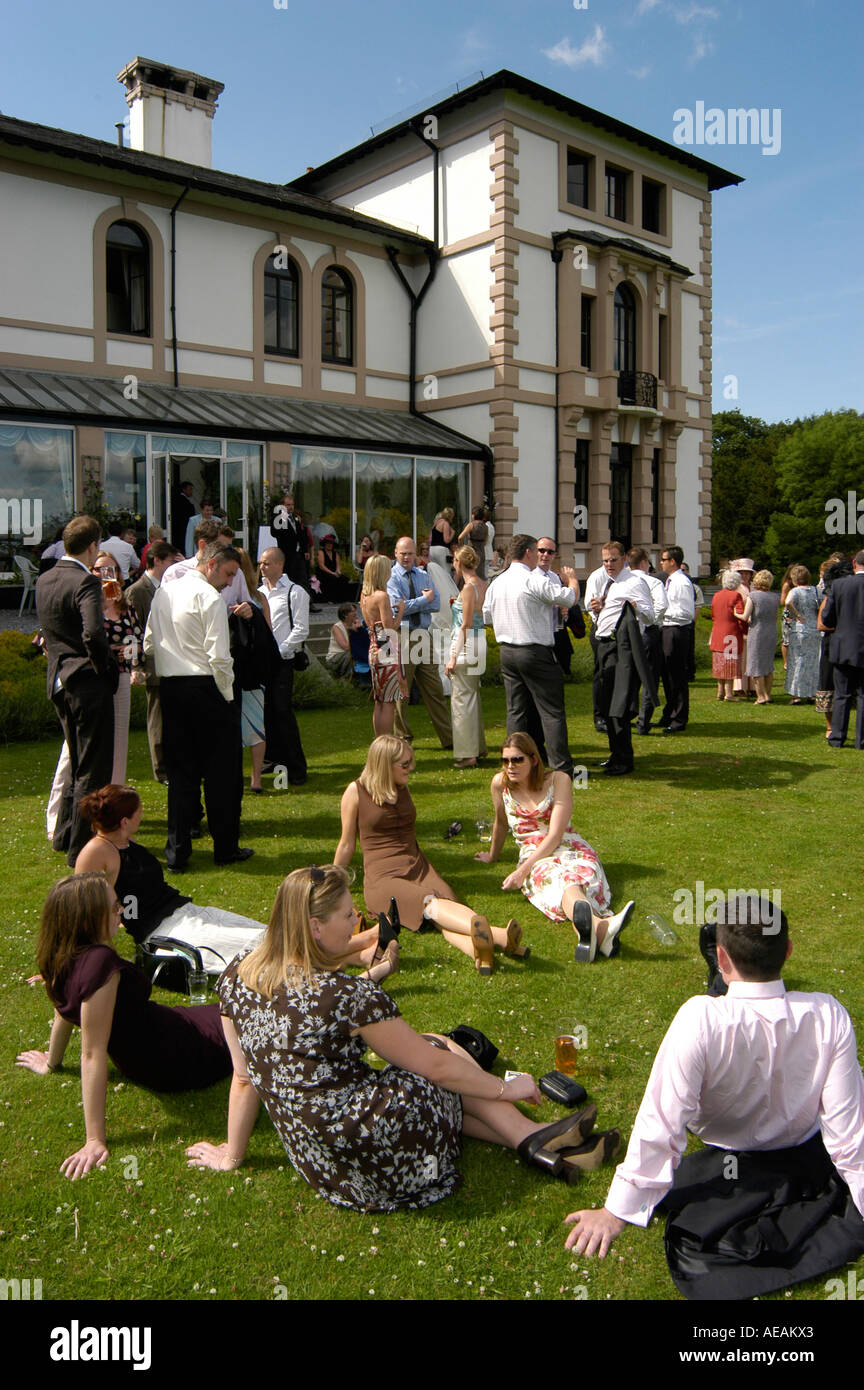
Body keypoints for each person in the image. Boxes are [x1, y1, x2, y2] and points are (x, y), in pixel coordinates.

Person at [186, 865, 603, 1202]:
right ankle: (534, 1135)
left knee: (438, 1075)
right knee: (439, 1048)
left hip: (327, 1167)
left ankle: (535, 1145)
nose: (355, 923)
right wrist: (505, 1087)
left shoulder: (237, 974)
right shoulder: (347, 995)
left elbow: (243, 1079)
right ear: (314, 926)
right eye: (348, 916)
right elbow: (436, 1068)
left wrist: (232, 1156)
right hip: (387, 1152)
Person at [562, 897, 864, 1302]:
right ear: (788, 952)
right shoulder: (828, 1014)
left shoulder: (700, 1018)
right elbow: (848, 1135)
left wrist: (616, 1212)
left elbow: (663, 1120)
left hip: (732, 1155)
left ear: (721, 957)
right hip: (803, 1152)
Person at [15, 874, 232, 1180]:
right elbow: (92, 1053)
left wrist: (52, 1062)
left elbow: (64, 1010)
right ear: (88, 918)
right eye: (114, 907)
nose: (122, 912)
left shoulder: (58, 955)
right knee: (249, 1017)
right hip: (177, 1056)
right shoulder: (100, 964)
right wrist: (94, 1140)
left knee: (233, 1010)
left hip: (162, 1037)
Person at [335, 735, 529, 974]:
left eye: (411, 762)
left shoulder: (400, 785)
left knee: (443, 909)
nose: (411, 768)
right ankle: (498, 935)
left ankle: (481, 954)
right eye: (404, 764)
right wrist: (332, 882)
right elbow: (346, 845)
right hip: (383, 877)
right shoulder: (355, 792)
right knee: (430, 904)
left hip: (417, 865)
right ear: (384, 765)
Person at [476, 732, 633, 962]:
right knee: (559, 880)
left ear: (534, 759)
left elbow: (556, 834)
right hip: (533, 853)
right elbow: (500, 821)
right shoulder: (500, 784)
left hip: (568, 845)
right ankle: (601, 930)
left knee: (577, 876)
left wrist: (522, 871)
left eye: (518, 760)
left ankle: (596, 932)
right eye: (505, 760)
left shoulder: (559, 780)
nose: (510, 766)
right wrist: (492, 855)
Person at [73, 785, 267, 970]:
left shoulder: (124, 840)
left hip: (184, 912)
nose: (142, 816)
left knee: (267, 933)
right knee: (253, 949)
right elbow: (80, 910)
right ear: (125, 821)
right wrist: (74, 962)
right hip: (164, 930)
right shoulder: (98, 851)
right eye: (139, 812)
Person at [144, 542, 251, 870]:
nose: (231, 582)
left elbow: (149, 641)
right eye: (230, 573)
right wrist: (228, 695)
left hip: (172, 689)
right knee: (222, 774)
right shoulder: (210, 598)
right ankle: (225, 847)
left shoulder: (163, 592)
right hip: (208, 688)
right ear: (212, 564)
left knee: (181, 773)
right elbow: (220, 656)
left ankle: (177, 852)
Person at [35, 515, 119, 865]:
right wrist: (105, 669)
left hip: (59, 680)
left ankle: (67, 834)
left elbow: (50, 631)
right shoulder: (85, 581)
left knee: (77, 761)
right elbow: (93, 634)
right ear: (92, 546)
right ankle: (80, 849)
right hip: (85, 682)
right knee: (93, 768)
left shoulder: (45, 579)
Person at [482, 534, 579, 776]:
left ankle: (513, 764)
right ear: (527, 553)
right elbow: (568, 598)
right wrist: (574, 581)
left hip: (508, 651)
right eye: (537, 551)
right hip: (534, 650)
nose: (539, 556)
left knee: (516, 711)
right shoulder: (531, 579)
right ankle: (562, 769)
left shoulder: (498, 582)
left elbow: (487, 617)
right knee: (552, 711)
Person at [589, 542, 655, 775]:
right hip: (605, 647)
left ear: (625, 558)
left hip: (621, 649)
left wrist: (637, 608)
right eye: (605, 560)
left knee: (619, 704)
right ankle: (616, 754)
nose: (609, 564)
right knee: (607, 704)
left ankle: (624, 759)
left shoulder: (634, 582)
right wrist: (599, 609)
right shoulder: (611, 583)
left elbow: (651, 615)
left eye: (613, 560)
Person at [387, 537, 452, 749]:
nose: (406, 557)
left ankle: (449, 739)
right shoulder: (391, 578)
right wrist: (423, 600)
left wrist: (414, 604)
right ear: (395, 553)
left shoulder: (423, 575)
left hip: (424, 635)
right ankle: (403, 739)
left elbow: (437, 604)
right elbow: (397, 608)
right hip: (403, 635)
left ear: (416, 554)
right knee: (402, 694)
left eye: (410, 553)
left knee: (435, 689)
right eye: (403, 553)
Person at [258, 547, 308, 786]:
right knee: (267, 711)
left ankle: (296, 767)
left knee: (282, 711)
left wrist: (281, 651)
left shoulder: (295, 592)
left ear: (279, 564)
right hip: (263, 660)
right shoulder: (258, 593)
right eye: (260, 563)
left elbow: (301, 628)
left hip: (283, 659)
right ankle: (275, 760)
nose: (262, 568)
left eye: (266, 563)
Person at [444, 544, 487, 768]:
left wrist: (452, 656)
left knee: (461, 700)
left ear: (459, 563)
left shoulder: (469, 587)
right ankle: (478, 746)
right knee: (473, 696)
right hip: (479, 642)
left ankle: (468, 754)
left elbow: (466, 625)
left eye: (454, 560)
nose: (453, 564)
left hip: (468, 644)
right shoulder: (482, 584)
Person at [820, 549, 864, 748]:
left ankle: (837, 737)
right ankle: (861, 740)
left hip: (844, 645)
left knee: (842, 694)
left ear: (854, 564)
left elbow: (827, 617)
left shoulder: (839, 585)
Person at [360, 554, 407, 736]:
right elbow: (390, 629)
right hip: (386, 651)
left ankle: (379, 742)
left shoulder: (365, 596)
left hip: (373, 649)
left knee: (379, 700)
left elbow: (373, 623)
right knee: (388, 701)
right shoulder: (382, 596)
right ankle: (386, 742)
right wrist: (400, 612)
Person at [628, 547, 667, 735]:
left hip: (628, 632)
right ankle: (643, 722)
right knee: (649, 677)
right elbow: (661, 606)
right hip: (648, 630)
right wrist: (652, 620)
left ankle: (627, 715)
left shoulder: (623, 582)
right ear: (645, 562)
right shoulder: (652, 582)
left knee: (630, 677)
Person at [658, 544, 695, 733]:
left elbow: (685, 612)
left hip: (676, 630)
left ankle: (679, 718)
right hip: (668, 629)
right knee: (668, 676)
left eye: (663, 559)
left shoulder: (681, 582)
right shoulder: (671, 580)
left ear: (673, 561)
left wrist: (661, 613)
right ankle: (669, 713)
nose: (661, 563)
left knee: (677, 676)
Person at [738, 569, 781, 704]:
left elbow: (745, 616)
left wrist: (735, 613)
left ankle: (760, 696)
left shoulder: (753, 596)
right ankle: (768, 695)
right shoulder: (775, 597)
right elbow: (775, 617)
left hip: (757, 631)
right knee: (768, 665)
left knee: (756, 664)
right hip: (771, 631)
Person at [784, 565, 821, 703]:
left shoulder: (795, 591)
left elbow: (787, 602)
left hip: (799, 629)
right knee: (812, 662)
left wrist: (797, 614)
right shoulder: (816, 591)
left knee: (797, 661)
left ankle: (797, 695)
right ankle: (812, 693)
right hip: (814, 629)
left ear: (794, 579)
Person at [708, 568, 745, 702]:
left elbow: (713, 614)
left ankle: (720, 691)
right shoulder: (736, 596)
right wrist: (744, 630)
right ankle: (729, 694)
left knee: (719, 662)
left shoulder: (716, 595)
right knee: (730, 663)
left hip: (718, 631)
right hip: (731, 633)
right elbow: (740, 615)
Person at [270, 491, 310, 591]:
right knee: (290, 577)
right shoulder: (278, 517)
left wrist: (305, 549)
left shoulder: (295, 517)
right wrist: (282, 517)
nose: (291, 507)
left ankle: (308, 602)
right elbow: (274, 532)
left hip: (298, 553)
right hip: (287, 553)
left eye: (292, 505)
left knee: (302, 578)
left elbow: (301, 535)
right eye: (288, 505)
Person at [315, 533, 355, 603]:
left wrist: (338, 572)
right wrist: (332, 573)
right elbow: (322, 566)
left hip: (333, 572)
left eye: (331, 543)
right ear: (325, 544)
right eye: (328, 543)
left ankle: (342, 599)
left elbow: (338, 566)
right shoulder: (321, 552)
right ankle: (330, 599)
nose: (329, 545)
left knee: (344, 578)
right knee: (331, 579)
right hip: (323, 573)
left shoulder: (335, 554)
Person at [324, 601, 357, 681]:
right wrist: (356, 635)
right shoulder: (337, 627)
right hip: (334, 658)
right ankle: (344, 679)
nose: (355, 613)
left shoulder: (355, 625)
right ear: (345, 614)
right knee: (352, 654)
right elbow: (345, 647)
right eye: (353, 611)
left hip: (346, 656)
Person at [458, 506, 489, 579]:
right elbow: (485, 541)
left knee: (470, 574)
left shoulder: (471, 525)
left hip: (472, 551)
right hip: (481, 552)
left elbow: (460, 537)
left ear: (474, 515)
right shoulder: (486, 527)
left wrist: (461, 547)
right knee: (480, 575)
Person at [171, 480, 197, 554]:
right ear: (184, 489)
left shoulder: (175, 500)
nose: (191, 491)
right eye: (190, 489)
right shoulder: (184, 502)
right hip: (183, 529)